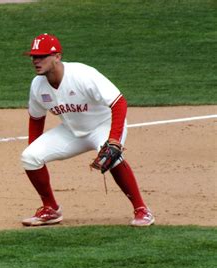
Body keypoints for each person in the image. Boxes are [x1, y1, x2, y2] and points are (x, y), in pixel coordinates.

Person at [20, 33, 155, 227]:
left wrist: (114, 139)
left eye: (41, 56)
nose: (36, 60)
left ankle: (142, 209)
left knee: (112, 155)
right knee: (30, 157)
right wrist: (36, 148)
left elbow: (119, 103)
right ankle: (50, 209)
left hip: (103, 125)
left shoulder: (82, 75)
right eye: (33, 56)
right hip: (71, 130)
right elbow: (36, 119)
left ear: (57, 56)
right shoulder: (38, 85)